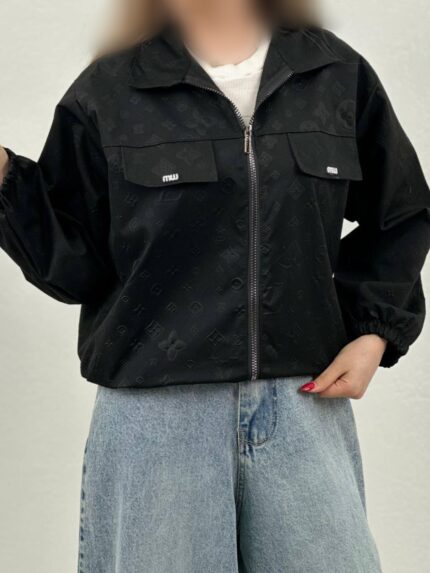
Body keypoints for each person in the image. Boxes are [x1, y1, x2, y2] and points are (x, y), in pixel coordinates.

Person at [1, 0, 429, 571]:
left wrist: (376, 332)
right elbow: (77, 267)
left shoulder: (335, 74)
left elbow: (401, 212)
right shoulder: (111, 88)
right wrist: (4, 178)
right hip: (156, 421)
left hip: (303, 406)